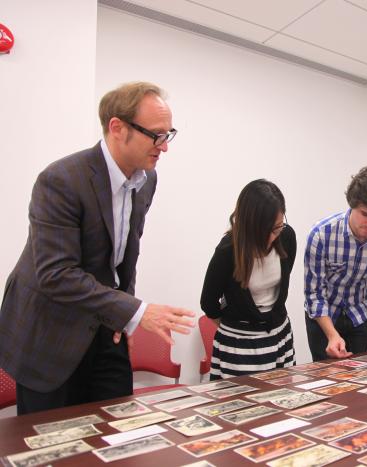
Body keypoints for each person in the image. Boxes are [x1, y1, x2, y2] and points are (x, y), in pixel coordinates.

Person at [0, 82, 195, 415]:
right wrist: (137, 312)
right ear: (117, 128)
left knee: (116, 430)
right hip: (50, 333)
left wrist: (122, 318)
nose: (164, 147)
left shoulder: (146, 180)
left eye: (168, 135)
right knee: (52, 446)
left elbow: (124, 256)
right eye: (156, 135)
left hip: (104, 326)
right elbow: (56, 274)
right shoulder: (61, 180)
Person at [304, 166, 367, 361]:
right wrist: (332, 336)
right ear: (352, 203)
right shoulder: (321, 235)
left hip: (361, 313)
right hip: (324, 316)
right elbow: (314, 294)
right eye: (365, 214)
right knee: (326, 381)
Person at [200, 179, 296, 377]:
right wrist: (236, 327)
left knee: (282, 400)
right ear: (249, 224)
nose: (272, 236)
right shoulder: (229, 250)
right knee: (243, 403)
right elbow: (208, 303)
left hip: (280, 335)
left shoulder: (286, 237)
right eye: (266, 230)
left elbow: (281, 285)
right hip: (239, 345)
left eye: (277, 227)